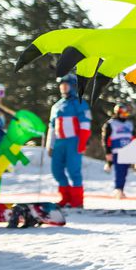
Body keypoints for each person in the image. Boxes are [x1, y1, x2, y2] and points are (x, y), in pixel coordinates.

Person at [48, 74, 91, 208]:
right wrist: (50, 145)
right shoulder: (56, 106)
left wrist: (82, 142)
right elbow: (52, 127)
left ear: (73, 86)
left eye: (66, 85)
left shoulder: (80, 103)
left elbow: (85, 124)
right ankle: (65, 197)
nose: (63, 87)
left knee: (74, 171)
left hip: (74, 142)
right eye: (62, 85)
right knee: (57, 171)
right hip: (59, 143)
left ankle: (77, 201)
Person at [103, 102, 136, 199]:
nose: (125, 115)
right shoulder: (111, 124)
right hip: (117, 151)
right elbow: (106, 139)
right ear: (118, 112)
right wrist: (108, 152)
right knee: (119, 171)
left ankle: (121, 189)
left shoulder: (129, 124)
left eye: (126, 113)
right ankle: (118, 189)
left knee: (125, 171)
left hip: (128, 151)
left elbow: (133, 138)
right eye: (123, 112)